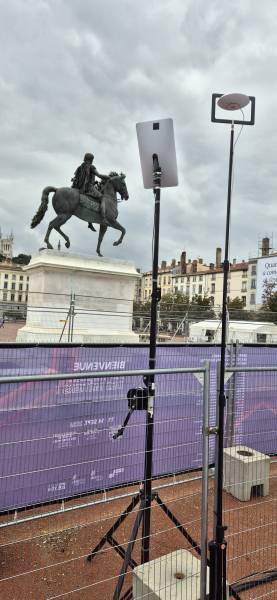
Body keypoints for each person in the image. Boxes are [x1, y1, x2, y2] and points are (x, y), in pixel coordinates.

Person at [71, 153, 109, 230]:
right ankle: (104, 218)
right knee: (102, 198)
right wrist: (108, 178)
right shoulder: (91, 167)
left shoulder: (80, 167)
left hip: (79, 188)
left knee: (91, 202)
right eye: (92, 159)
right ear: (91, 159)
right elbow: (99, 175)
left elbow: (77, 179)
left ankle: (90, 223)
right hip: (89, 188)